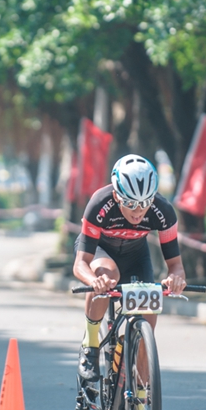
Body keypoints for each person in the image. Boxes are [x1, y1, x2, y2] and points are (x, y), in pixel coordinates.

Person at [72, 154, 186, 382]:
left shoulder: (163, 211)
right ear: (116, 195)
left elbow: (176, 266)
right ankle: (90, 344)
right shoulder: (99, 204)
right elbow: (81, 264)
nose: (138, 211)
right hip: (101, 253)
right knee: (108, 275)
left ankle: (141, 404)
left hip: (136, 256)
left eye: (145, 203)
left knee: (147, 333)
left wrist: (176, 279)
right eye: (131, 203)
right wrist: (94, 281)